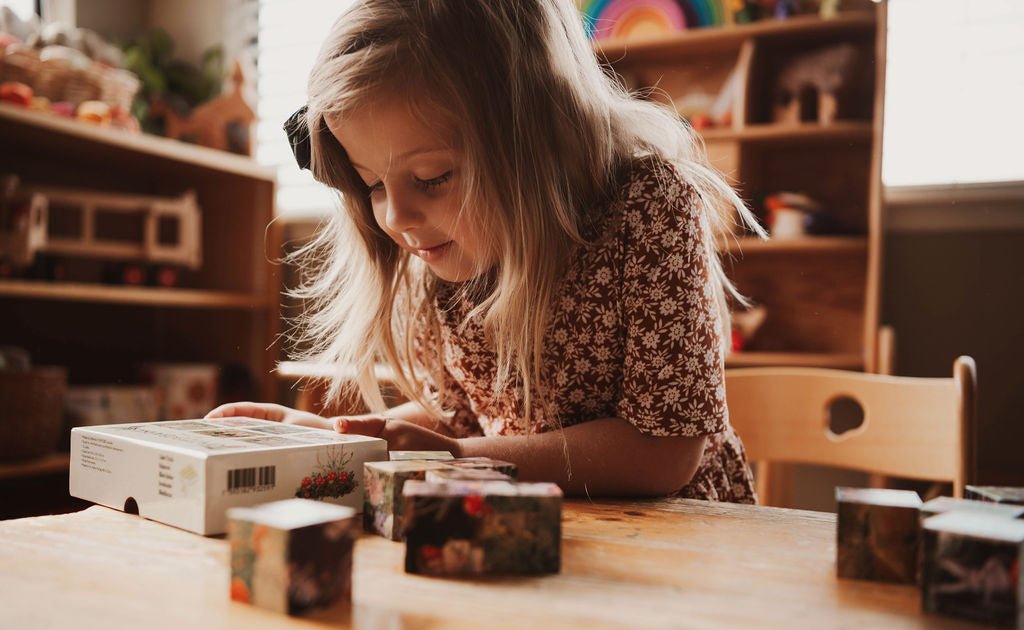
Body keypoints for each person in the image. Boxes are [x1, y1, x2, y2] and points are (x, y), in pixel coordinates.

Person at [207, 0, 765, 502]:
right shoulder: (446, 248)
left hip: (680, 541)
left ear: (534, 141)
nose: (395, 218)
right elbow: (459, 418)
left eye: (432, 177)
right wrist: (332, 441)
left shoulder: (648, 204)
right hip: (532, 526)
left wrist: (455, 460)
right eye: (374, 184)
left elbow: (664, 452)